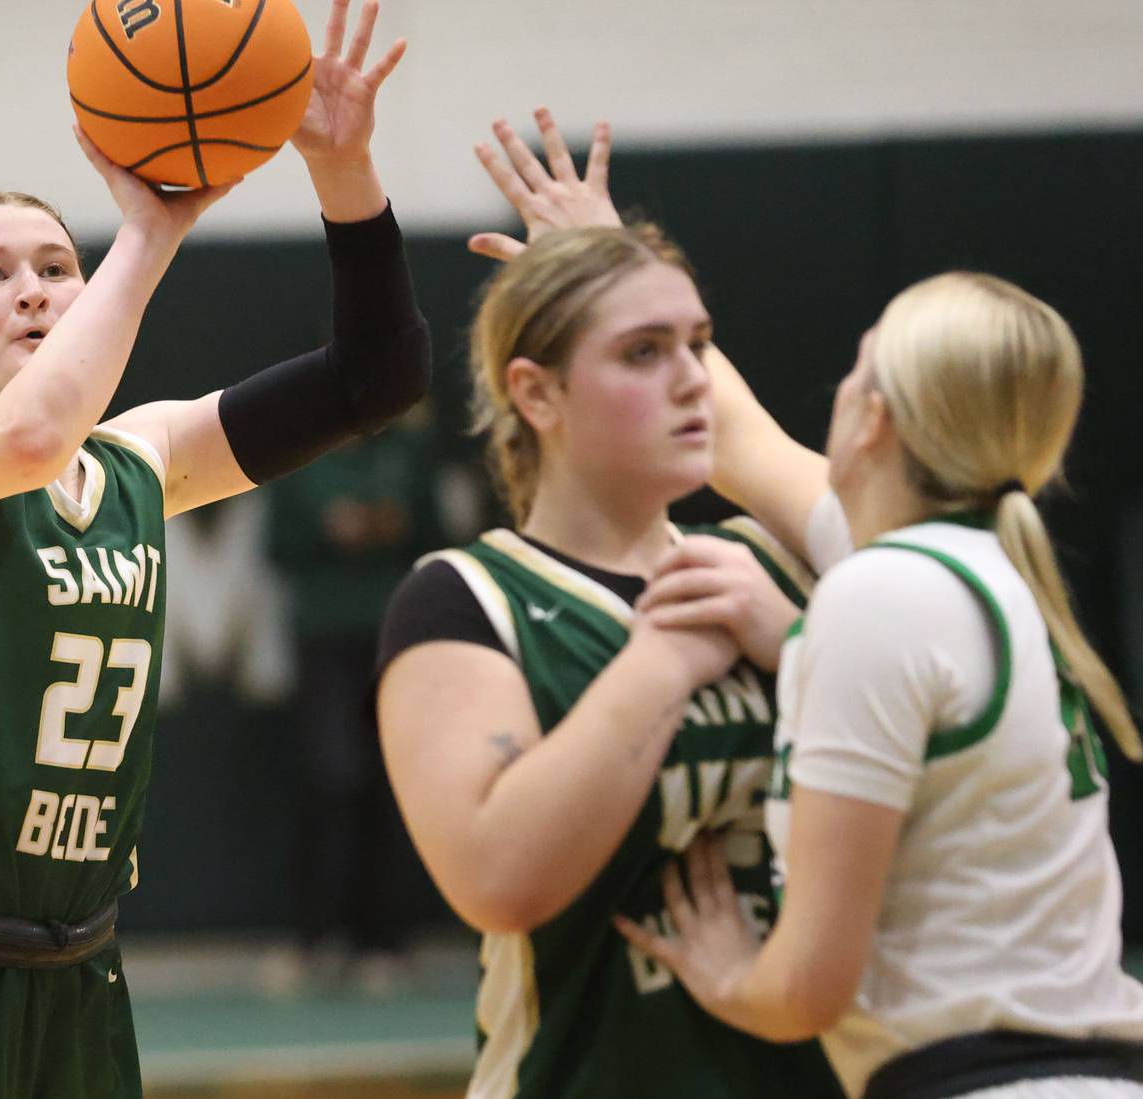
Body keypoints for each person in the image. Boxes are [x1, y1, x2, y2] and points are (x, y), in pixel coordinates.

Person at [0, 1, 430, 1094]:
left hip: (78, 971)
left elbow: (377, 377)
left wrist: (344, 171)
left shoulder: (141, 457)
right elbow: (28, 435)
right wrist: (152, 228)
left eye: (56, 264)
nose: (34, 285)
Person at [375, 125, 844, 1092]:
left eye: (699, 345)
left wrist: (797, 644)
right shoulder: (464, 600)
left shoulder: (773, 567)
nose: (689, 379)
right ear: (537, 394)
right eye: (643, 351)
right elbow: (498, 879)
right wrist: (661, 663)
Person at [617, 271, 1143, 1098]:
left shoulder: (881, 594)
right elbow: (741, 441)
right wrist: (611, 264)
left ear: (876, 418)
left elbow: (807, 988)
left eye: (859, 368)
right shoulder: (980, 566)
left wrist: (729, 978)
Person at [265, 412, 445, 990]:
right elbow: (278, 544)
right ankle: (314, 938)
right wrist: (327, 528)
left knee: (388, 784)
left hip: (392, 633)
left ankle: (386, 942)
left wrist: (392, 525)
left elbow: (436, 538)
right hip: (323, 637)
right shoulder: (301, 450)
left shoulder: (409, 451)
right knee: (328, 778)